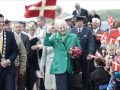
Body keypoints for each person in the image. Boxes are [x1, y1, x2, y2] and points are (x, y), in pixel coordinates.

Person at [43, 19, 81, 90]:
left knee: (70, 87)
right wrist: (48, 32)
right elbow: (46, 43)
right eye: (60, 28)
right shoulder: (54, 37)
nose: (63, 29)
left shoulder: (73, 36)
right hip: (59, 67)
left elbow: (79, 49)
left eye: (64, 27)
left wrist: (75, 53)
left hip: (70, 66)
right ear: (57, 29)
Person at [71, 16, 95, 90]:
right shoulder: (72, 31)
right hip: (74, 55)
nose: (77, 23)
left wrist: (90, 53)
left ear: (82, 22)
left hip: (85, 55)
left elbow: (91, 42)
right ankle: (76, 87)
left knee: (85, 72)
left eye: (78, 21)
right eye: (75, 22)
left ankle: (85, 87)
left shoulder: (88, 30)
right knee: (75, 71)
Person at [0, 14, 18, 90]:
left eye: (3, 21)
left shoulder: (10, 35)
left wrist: (9, 60)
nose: (2, 23)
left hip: (9, 69)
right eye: (0, 22)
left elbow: (15, 51)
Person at [40, 25, 57, 90]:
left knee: (56, 84)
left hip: (57, 64)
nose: (53, 29)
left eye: (54, 27)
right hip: (49, 64)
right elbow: (43, 55)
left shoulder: (60, 38)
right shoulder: (47, 39)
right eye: (51, 28)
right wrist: (41, 67)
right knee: (49, 85)